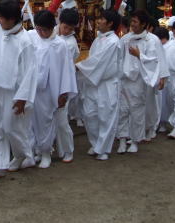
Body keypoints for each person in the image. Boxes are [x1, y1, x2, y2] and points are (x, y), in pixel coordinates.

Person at [0, 0, 38, 182]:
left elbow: (30, 72)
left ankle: (22, 154)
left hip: (13, 91)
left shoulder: (25, 40)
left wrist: (22, 98)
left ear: (13, 19)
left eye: (3, 18)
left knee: (11, 127)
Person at [27, 10, 77, 167]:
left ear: (52, 28)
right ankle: (38, 150)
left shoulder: (60, 45)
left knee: (54, 121)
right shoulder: (32, 37)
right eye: (38, 29)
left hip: (53, 90)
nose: (41, 33)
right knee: (35, 122)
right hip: (35, 88)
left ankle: (49, 152)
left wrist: (64, 93)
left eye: (44, 30)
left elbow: (66, 71)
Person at [76, 9, 123, 160]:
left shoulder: (114, 42)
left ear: (110, 24)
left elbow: (98, 63)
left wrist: (79, 65)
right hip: (93, 82)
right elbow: (93, 60)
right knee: (90, 114)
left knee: (106, 116)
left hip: (107, 84)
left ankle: (103, 148)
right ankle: (95, 143)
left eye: (102, 19)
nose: (99, 21)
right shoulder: (98, 39)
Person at [117, 10, 164, 154]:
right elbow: (119, 59)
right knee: (122, 110)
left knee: (137, 111)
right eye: (132, 21)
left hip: (140, 80)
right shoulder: (125, 39)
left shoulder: (152, 40)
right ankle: (122, 139)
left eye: (135, 22)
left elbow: (157, 60)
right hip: (124, 79)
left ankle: (136, 140)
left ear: (144, 24)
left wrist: (139, 56)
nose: (132, 24)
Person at [57, 8, 81, 160]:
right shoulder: (51, 32)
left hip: (62, 83)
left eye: (71, 29)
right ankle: (45, 150)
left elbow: (66, 68)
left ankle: (68, 150)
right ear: (60, 22)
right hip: (47, 82)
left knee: (61, 120)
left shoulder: (70, 43)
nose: (67, 31)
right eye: (65, 27)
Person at [144, 17, 169, 141]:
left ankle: (153, 127)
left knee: (155, 103)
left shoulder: (155, 40)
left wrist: (163, 77)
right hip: (142, 76)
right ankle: (142, 129)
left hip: (154, 76)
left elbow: (162, 59)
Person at [153, 27, 171, 133]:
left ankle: (163, 122)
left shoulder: (169, 47)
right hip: (157, 77)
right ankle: (157, 122)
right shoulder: (158, 46)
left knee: (164, 103)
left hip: (165, 78)